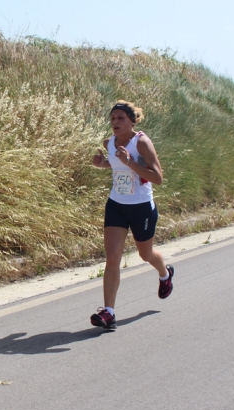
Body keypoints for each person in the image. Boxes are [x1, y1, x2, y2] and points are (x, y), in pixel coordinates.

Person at [90, 100, 174, 329]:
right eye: (112, 118)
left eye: (120, 118)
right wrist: (104, 164)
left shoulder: (142, 143)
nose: (115, 122)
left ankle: (165, 273)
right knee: (112, 257)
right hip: (116, 204)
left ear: (131, 121)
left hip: (141, 207)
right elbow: (118, 165)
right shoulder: (109, 143)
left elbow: (157, 178)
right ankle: (108, 312)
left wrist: (129, 161)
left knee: (145, 254)